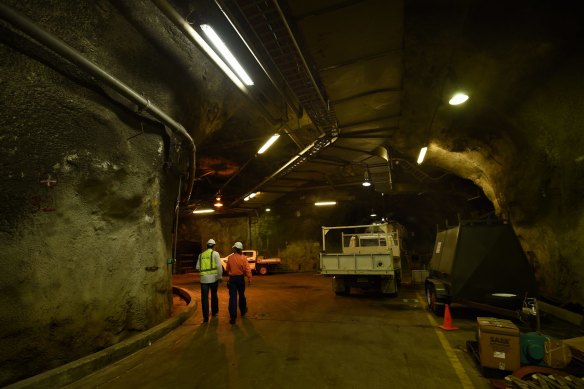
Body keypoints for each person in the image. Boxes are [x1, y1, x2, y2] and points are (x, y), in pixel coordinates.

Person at [196, 238, 222, 323]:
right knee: (214, 295)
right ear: (214, 246)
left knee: (204, 298)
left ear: (207, 245)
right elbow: (219, 266)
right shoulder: (215, 254)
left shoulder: (201, 255)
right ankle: (214, 312)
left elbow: (197, 267)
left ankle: (205, 318)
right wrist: (220, 277)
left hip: (203, 279)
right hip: (214, 279)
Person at [225, 241, 252, 324]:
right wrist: (249, 278)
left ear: (235, 249)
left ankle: (233, 317)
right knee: (241, 295)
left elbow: (227, 269)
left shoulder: (230, 258)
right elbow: (247, 269)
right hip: (240, 279)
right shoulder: (243, 258)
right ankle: (243, 311)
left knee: (232, 297)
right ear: (241, 249)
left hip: (232, 280)